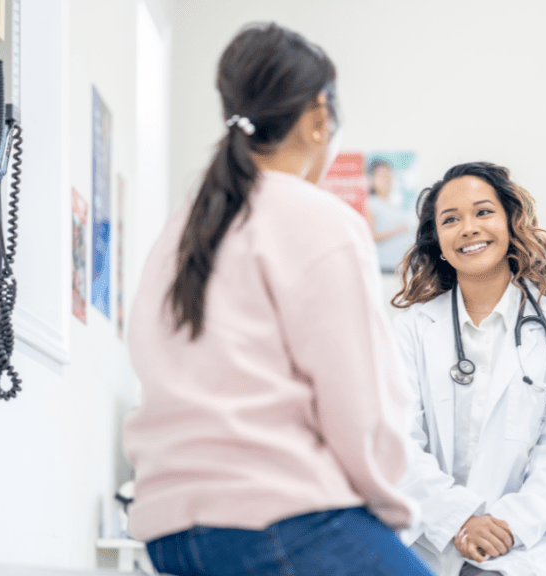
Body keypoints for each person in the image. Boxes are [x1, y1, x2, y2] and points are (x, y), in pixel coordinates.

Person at [122, 23, 433, 576]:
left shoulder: (182, 230)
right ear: (320, 115)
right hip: (281, 520)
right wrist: (392, 517)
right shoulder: (321, 220)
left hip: (170, 534)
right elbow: (360, 410)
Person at [391, 162, 546, 576]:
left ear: (511, 223)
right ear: (439, 241)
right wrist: (460, 522)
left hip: (528, 550)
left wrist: (504, 529)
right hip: (435, 545)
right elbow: (399, 445)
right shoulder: (411, 330)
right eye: (451, 219)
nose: (468, 228)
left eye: (483, 212)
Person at [366, 159, 417, 272]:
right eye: (382, 175)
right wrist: (398, 230)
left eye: (389, 175)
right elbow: (370, 235)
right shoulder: (371, 203)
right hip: (385, 266)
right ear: (372, 179)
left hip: (401, 266)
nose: (387, 179)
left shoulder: (393, 204)